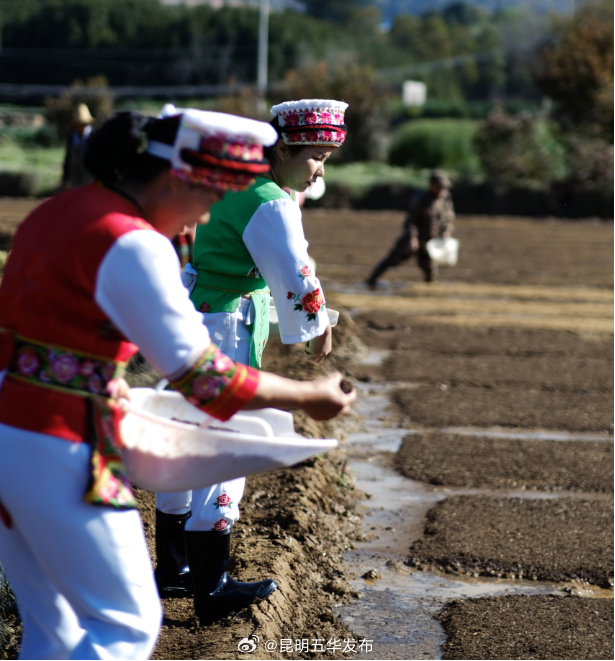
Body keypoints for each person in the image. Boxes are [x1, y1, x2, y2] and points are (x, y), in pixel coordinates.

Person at [0, 108, 356, 660]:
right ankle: (202, 576)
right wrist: (308, 396)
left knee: (53, 624)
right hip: (64, 446)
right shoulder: (134, 242)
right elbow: (203, 379)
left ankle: (182, 567)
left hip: (10, 433)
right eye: (209, 196)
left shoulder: (56, 212)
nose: (208, 215)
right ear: (176, 178)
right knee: (127, 625)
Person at [154, 99, 349, 619]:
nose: (320, 169)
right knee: (227, 443)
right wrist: (317, 329)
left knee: (182, 433)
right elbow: (296, 271)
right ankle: (211, 587)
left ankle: (172, 569)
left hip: (192, 315)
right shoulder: (271, 202)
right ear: (284, 149)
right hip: (226, 328)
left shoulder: (228, 183)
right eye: (316, 157)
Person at [366, 169, 455, 285]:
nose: (441, 190)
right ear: (431, 185)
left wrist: (446, 232)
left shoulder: (444, 199)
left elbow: (448, 219)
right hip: (413, 238)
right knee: (391, 260)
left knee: (430, 270)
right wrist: (413, 239)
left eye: (444, 187)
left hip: (429, 242)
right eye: (439, 187)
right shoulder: (421, 199)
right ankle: (370, 282)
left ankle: (427, 293)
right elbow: (410, 222)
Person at [61, 103, 95, 189]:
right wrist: (65, 178)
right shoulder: (72, 136)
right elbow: (68, 157)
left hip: (89, 175)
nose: (80, 127)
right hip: (74, 175)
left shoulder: (94, 136)